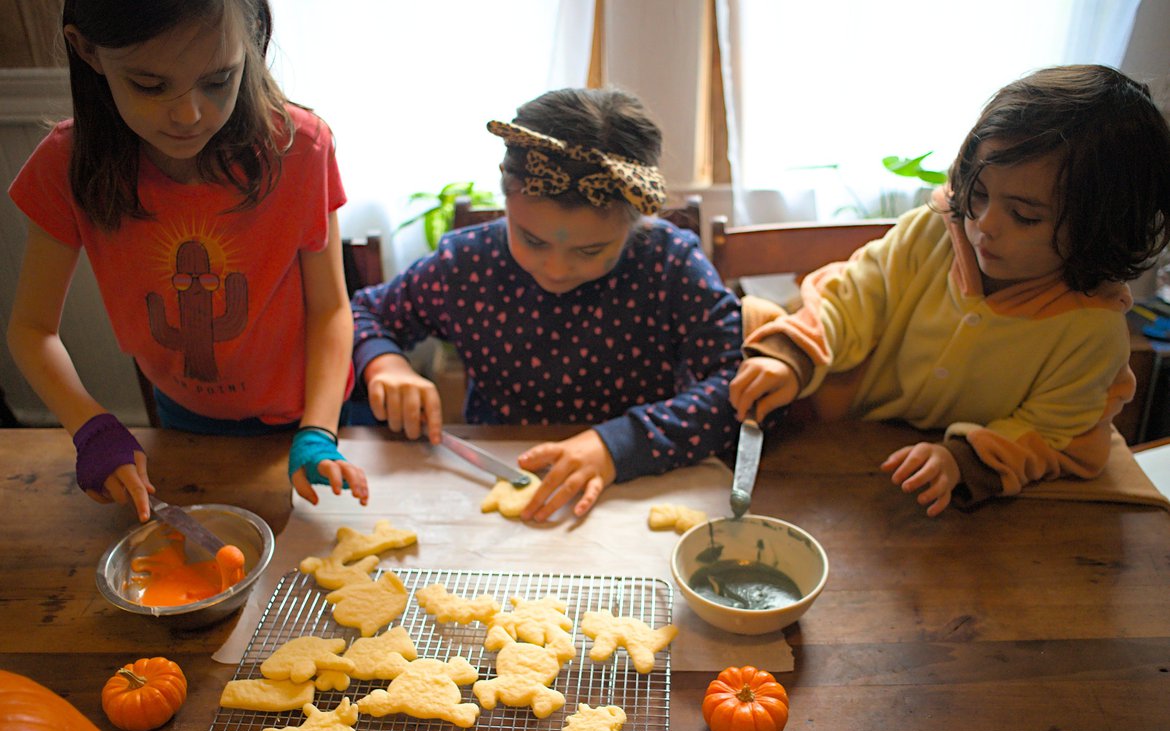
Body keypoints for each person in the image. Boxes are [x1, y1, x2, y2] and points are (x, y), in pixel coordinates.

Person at [731, 64, 1170, 517]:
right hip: (834, 415)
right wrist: (791, 357)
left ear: (1101, 231)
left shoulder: (1091, 331)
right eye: (979, 193)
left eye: (1024, 216)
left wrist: (962, 461)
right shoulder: (934, 232)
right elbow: (856, 293)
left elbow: (1048, 432)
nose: (984, 224)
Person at [6, 0, 369, 521]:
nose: (188, 115)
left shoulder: (300, 147)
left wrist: (318, 430)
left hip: (310, 412)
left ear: (252, 40)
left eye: (218, 81)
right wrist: (90, 426)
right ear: (88, 50)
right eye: (149, 86)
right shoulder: (65, 164)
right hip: (185, 417)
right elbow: (32, 329)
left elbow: (332, 308)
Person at [351, 87, 742, 522]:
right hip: (497, 484)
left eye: (590, 250)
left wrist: (619, 444)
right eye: (532, 240)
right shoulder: (467, 264)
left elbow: (736, 383)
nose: (556, 269)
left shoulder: (670, 264)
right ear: (506, 199)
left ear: (637, 221)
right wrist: (385, 363)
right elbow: (363, 313)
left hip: (639, 487)